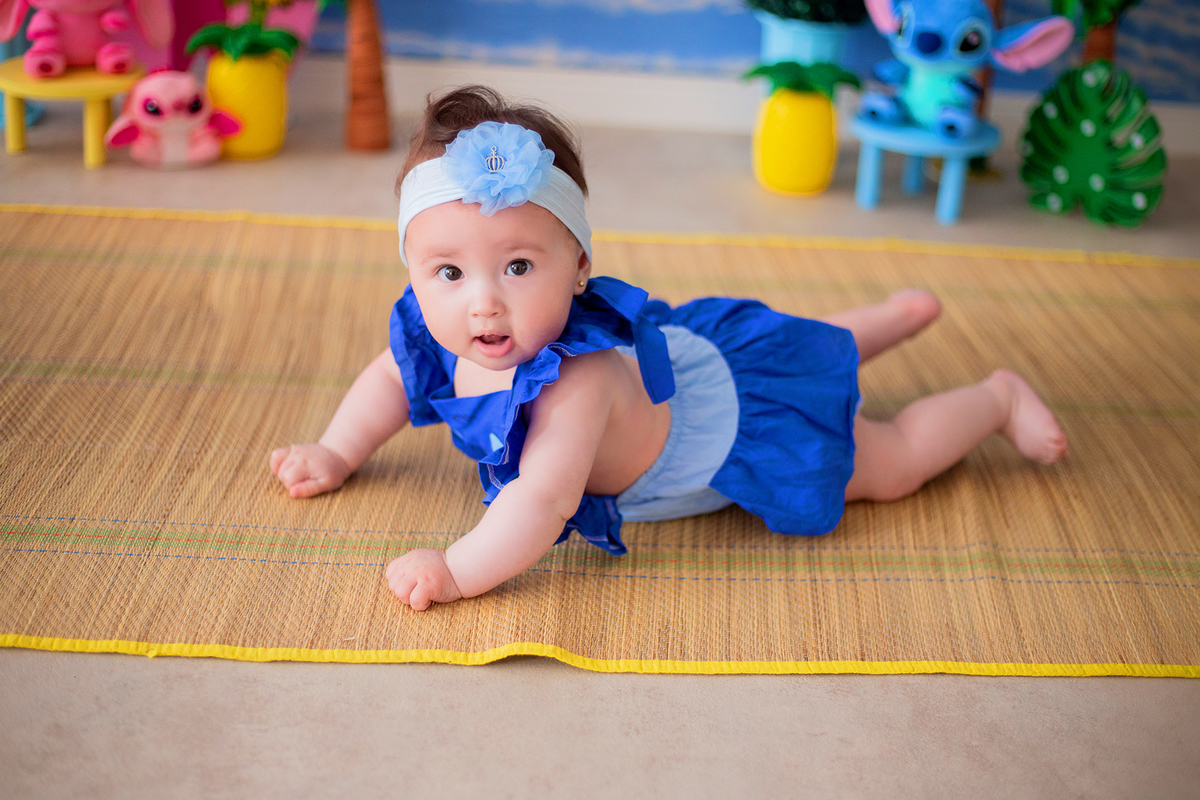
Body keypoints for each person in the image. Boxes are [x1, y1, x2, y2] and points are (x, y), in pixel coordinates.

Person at [270, 85, 1067, 611]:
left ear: (581, 267)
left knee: (884, 463)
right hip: (680, 365)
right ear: (413, 269)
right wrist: (339, 449)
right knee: (793, 350)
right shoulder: (440, 328)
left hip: (715, 428)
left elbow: (541, 503)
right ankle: (890, 316)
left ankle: (995, 396)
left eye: (518, 265)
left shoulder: (574, 386)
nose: (482, 300)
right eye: (447, 271)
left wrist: (456, 570)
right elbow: (387, 379)